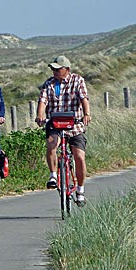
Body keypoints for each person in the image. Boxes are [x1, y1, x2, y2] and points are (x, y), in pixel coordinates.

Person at [35, 56, 91, 206]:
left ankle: (80, 189)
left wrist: (86, 114)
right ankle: (53, 175)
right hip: (56, 123)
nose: (54, 72)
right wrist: (40, 115)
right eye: (53, 69)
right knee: (51, 144)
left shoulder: (77, 80)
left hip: (74, 125)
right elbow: (43, 101)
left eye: (57, 69)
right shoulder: (49, 83)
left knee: (79, 156)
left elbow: (84, 98)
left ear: (67, 69)